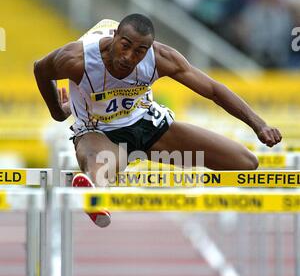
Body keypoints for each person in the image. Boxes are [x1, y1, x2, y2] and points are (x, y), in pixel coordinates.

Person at [34, 14, 282, 228]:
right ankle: (95, 193)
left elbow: (214, 90)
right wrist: (58, 111)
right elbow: (40, 69)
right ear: (114, 37)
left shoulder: (161, 58)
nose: (129, 57)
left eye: (139, 51)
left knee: (245, 162)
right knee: (104, 161)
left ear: (149, 49)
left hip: (150, 127)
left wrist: (259, 124)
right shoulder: (78, 59)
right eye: (125, 46)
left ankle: (97, 186)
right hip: (100, 134)